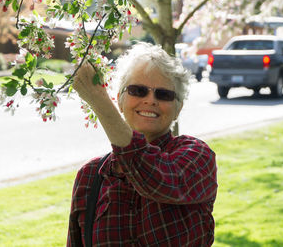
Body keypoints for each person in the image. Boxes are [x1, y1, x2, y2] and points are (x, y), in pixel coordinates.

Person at [67, 42, 217, 246]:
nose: (150, 100)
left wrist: (99, 101)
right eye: (138, 90)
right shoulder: (90, 176)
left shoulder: (197, 156)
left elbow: (157, 180)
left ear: (178, 108)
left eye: (163, 94)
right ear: (119, 100)